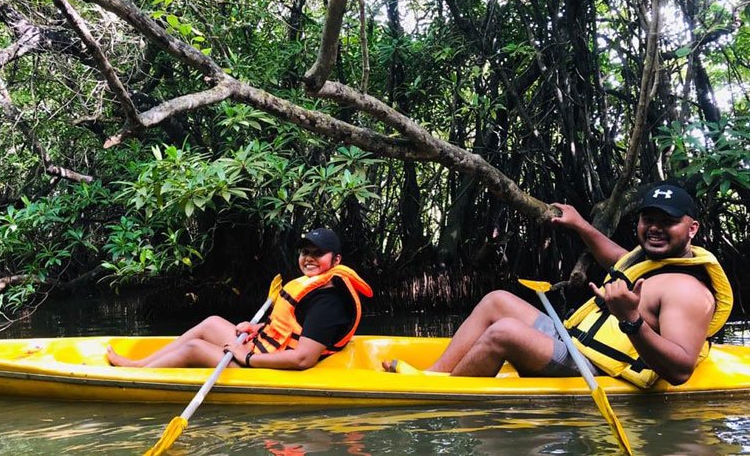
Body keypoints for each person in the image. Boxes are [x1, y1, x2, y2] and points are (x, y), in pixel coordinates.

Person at [389, 183, 731, 387]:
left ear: (692, 229)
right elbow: (617, 258)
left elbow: (681, 370)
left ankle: (446, 397)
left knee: (506, 331)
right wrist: (581, 225)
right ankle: (431, 377)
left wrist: (631, 321)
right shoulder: (654, 260)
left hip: (595, 367)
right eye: (648, 219)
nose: (654, 228)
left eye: (667, 222)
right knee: (497, 300)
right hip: (576, 343)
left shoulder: (690, 292)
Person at [107, 227, 373, 369]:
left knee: (194, 349)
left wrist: (246, 357)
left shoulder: (329, 301)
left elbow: (303, 359)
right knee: (211, 322)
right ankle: (140, 364)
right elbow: (294, 328)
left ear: (336, 260)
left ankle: (138, 374)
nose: (309, 258)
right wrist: (260, 329)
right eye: (305, 252)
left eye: (318, 253)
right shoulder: (314, 289)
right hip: (268, 350)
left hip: (272, 366)